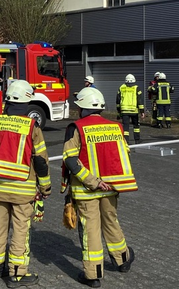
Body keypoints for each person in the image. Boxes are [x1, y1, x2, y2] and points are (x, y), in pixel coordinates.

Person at [62, 86, 137, 288]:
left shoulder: (76, 128)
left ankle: (92, 274)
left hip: (87, 190)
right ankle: (122, 259)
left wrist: (93, 181)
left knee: (90, 230)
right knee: (111, 222)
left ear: (83, 108)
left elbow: (71, 161)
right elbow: (124, 156)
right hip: (111, 188)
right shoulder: (115, 127)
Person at [0, 79, 51, 287]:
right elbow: (40, 161)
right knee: (20, 231)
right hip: (23, 190)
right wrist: (45, 187)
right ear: (27, 101)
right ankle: (17, 273)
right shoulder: (32, 127)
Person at [116, 74, 144, 144]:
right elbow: (139, 100)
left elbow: (118, 100)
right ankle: (137, 140)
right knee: (136, 126)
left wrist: (119, 111)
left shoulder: (121, 88)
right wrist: (142, 111)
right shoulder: (136, 88)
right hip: (134, 111)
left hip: (124, 111)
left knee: (125, 127)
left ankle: (126, 141)